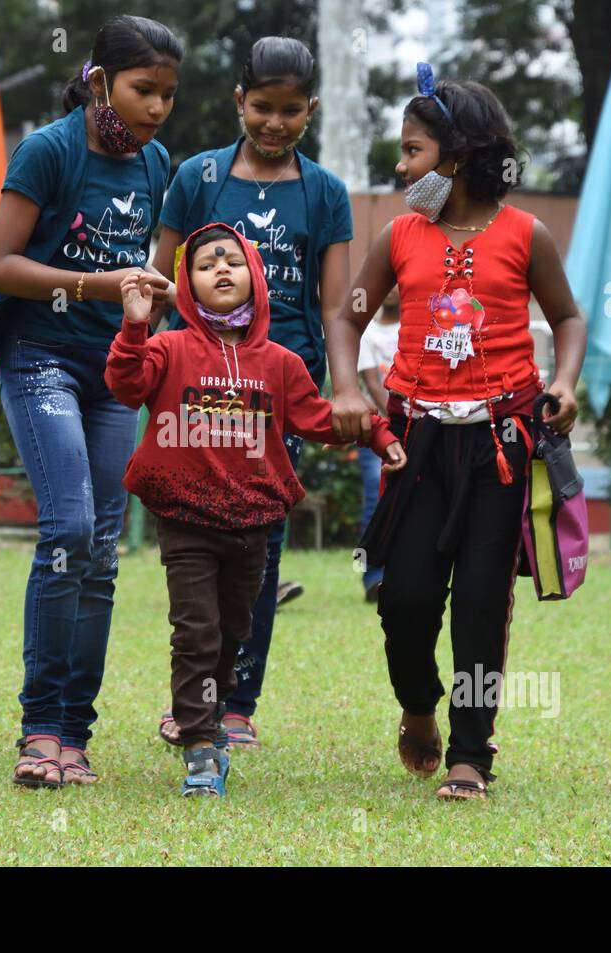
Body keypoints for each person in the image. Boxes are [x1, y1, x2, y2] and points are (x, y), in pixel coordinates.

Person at [326, 66, 587, 801]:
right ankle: (418, 704)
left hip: (501, 447)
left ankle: (473, 753)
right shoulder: (400, 234)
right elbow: (348, 316)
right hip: (415, 443)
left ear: (458, 157)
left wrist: (563, 383)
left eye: (412, 152)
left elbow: (567, 318)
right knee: (404, 599)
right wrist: (347, 388)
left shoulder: (526, 235)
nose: (401, 168)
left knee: (480, 601)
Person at [106, 223, 403, 796]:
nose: (221, 270)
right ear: (185, 283)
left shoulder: (282, 363)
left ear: (256, 279)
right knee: (196, 631)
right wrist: (136, 323)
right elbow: (124, 384)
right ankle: (197, 742)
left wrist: (379, 433)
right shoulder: (168, 348)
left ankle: (211, 719)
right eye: (205, 264)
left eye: (233, 262)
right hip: (186, 520)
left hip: (254, 525)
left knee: (233, 633)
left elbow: (323, 418)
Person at [0, 15, 183, 788]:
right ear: (99, 80)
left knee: (101, 550)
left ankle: (74, 732)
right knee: (66, 526)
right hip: (40, 359)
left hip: (115, 372)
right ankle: (39, 728)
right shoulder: (49, 151)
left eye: (167, 94)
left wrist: (157, 324)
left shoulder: (156, 163)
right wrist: (99, 285)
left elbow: (153, 281)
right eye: (143, 90)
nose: (157, 108)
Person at [151, 37, 353, 749]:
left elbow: (334, 307)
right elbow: (162, 277)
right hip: (195, 391)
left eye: (291, 111)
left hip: (279, 392)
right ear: (240, 102)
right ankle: (194, 696)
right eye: (262, 108)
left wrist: (349, 388)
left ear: (311, 110)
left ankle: (238, 703)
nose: (275, 123)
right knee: (194, 545)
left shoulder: (325, 192)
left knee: (259, 548)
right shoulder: (197, 176)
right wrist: (142, 361)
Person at [356, 294, 401, 601]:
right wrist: (394, 423)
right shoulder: (366, 332)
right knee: (374, 495)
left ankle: (399, 572)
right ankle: (366, 574)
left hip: (417, 427)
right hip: (379, 427)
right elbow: (372, 382)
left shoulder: (416, 326)